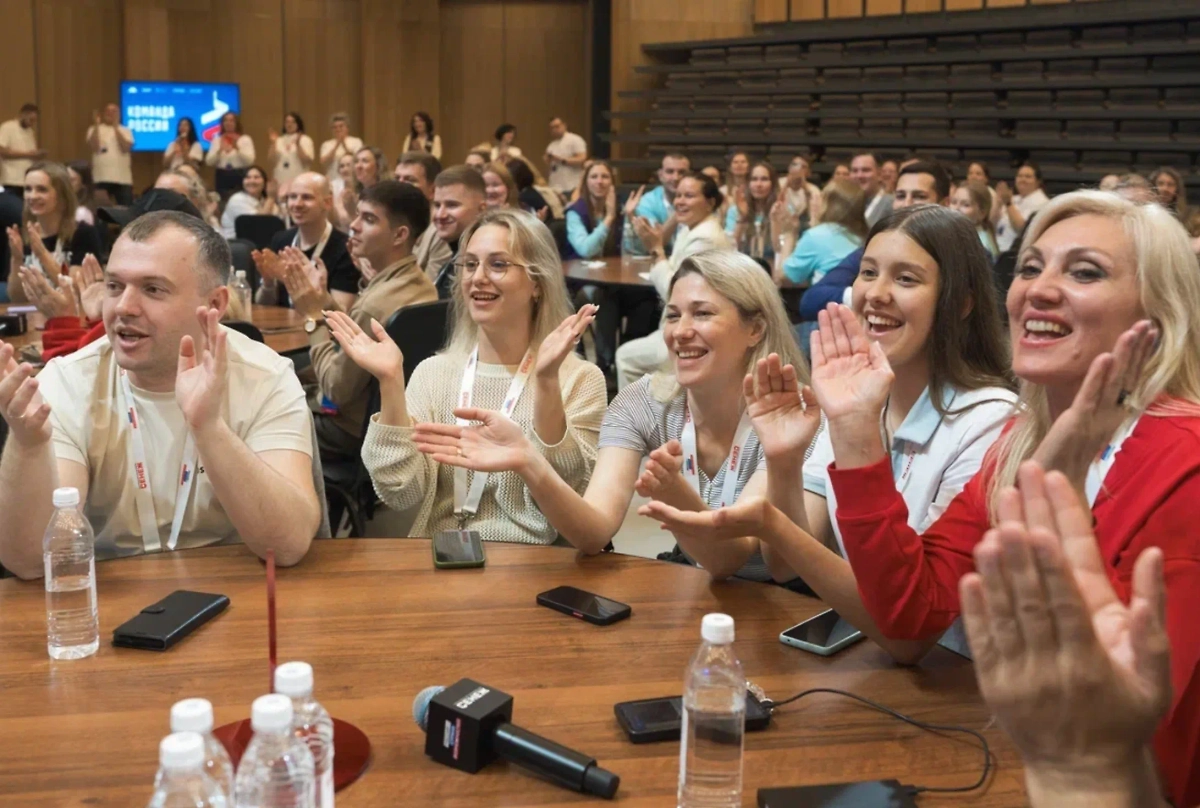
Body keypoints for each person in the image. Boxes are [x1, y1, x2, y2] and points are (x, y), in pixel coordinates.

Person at [782, 191, 1200, 806]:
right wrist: (852, 429)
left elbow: (1159, 746)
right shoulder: (1017, 444)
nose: (1039, 289)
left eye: (1084, 272)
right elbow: (909, 616)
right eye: (1030, 267)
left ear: (1159, 314)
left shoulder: (1185, 463)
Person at [642, 204, 1016, 659]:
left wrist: (772, 522)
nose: (875, 294)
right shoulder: (857, 399)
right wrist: (783, 459)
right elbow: (783, 565)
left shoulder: (990, 422)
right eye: (869, 272)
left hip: (954, 672)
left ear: (961, 303)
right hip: (871, 658)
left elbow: (910, 633)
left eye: (906, 279)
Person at [417, 249, 809, 586]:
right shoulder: (642, 402)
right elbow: (593, 533)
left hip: (785, 600)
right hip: (702, 585)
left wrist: (675, 493)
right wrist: (527, 460)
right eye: (672, 316)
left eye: (702, 313)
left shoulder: (787, 416)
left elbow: (734, 560)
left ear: (755, 328)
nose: (681, 332)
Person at [0, 211, 322, 578]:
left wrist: (210, 428)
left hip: (235, 592)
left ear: (214, 305)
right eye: (115, 286)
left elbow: (286, 545)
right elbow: (29, 562)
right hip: (111, 596)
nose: (124, 307)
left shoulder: (265, 376)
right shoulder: (71, 381)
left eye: (153, 289)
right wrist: (27, 446)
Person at [330, 208, 606, 545]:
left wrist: (546, 382)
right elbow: (399, 492)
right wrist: (390, 382)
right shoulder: (435, 374)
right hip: (441, 557)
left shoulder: (579, 379)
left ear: (537, 282)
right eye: (470, 264)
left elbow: (570, 494)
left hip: (535, 564)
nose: (478, 278)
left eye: (499, 264)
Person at [278, 181, 438, 461]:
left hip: (350, 432)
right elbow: (359, 327)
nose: (353, 226)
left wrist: (313, 317)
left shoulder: (375, 304)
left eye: (368, 219)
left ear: (400, 234)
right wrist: (323, 301)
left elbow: (335, 389)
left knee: (262, 415)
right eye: (357, 216)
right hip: (400, 423)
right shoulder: (422, 284)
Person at [615, 172, 732, 389]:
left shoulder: (704, 238)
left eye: (688, 196)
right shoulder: (692, 228)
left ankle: (635, 421)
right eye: (678, 195)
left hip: (695, 330)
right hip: (685, 321)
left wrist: (656, 250)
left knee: (625, 357)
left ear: (710, 203)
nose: (679, 201)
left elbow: (674, 291)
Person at [797, 160, 952, 321]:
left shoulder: (961, 253)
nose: (906, 204)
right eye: (900, 196)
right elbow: (810, 301)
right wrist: (863, 294)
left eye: (919, 196)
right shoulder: (874, 250)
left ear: (944, 204)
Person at [253, 172, 358, 311]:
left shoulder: (344, 248)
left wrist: (309, 288)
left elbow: (342, 312)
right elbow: (263, 306)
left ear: (327, 203)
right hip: (281, 329)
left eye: (307, 197)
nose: (297, 204)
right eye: (292, 197)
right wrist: (268, 284)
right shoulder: (281, 240)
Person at [6, 162, 104, 305]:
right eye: (28, 189)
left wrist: (41, 253)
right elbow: (17, 298)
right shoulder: (24, 235)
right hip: (35, 318)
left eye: (42, 190)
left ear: (62, 195)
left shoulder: (82, 233)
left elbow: (76, 290)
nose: (32, 196)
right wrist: (16, 258)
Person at [778, 179, 865, 286]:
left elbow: (785, 277)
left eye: (822, 196)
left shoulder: (816, 235)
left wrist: (789, 235)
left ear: (829, 205)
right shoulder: (866, 235)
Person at [428, 166, 488, 299]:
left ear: (481, 209)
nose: (440, 215)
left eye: (452, 205)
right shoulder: (454, 260)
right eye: (437, 205)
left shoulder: (482, 268)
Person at [395, 152, 450, 278]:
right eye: (397, 178)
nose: (399, 185)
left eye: (410, 180)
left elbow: (431, 291)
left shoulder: (440, 230)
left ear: (433, 190)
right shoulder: (391, 222)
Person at [624, 152, 690, 255]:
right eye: (670, 171)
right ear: (660, 175)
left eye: (681, 172)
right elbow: (653, 244)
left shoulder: (699, 200)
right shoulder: (648, 202)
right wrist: (678, 212)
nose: (676, 177)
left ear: (689, 176)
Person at [726, 161, 777, 262]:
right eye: (754, 179)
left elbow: (780, 250)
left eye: (764, 179)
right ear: (747, 184)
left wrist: (775, 219)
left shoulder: (781, 211)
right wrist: (742, 217)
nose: (759, 184)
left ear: (773, 184)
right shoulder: (734, 211)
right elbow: (730, 250)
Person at [85, 103, 135, 206]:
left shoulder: (126, 130)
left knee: (126, 211)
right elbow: (94, 147)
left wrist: (115, 127)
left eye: (114, 111)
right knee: (100, 212)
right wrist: (96, 125)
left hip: (123, 178)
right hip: (100, 177)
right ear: (103, 114)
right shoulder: (93, 129)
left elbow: (125, 148)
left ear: (119, 114)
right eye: (108, 111)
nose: (110, 114)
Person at [995, 161, 1049, 252]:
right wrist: (998, 203)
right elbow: (993, 223)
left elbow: (1022, 229)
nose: (1022, 179)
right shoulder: (1014, 198)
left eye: (1028, 177)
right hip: (998, 248)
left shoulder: (1042, 202)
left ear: (1038, 181)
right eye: (1020, 176)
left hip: (1014, 253)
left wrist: (1008, 204)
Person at [219, 166, 280, 239]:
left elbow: (277, 219)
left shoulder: (263, 200)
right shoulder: (237, 199)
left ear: (265, 182)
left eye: (256, 177)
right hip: (236, 243)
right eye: (247, 177)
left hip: (259, 241)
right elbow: (260, 224)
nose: (252, 181)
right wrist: (271, 198)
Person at [205, 112, 255, 197]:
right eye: (226, 121)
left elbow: (250, 161)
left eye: (231, 121)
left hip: (239, 174)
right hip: (222, 175)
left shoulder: (245, 139)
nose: (228, 123)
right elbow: (209, 162)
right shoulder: (217, 140)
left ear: (236, 123)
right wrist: (219, 150)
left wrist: (237, 148)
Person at [336, 146, 386, 230]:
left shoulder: (386, 194)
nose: (358, 166)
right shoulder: (354, 193)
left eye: (365, 161)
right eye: (356, 162)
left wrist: (351, 212)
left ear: (378, 166)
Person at [0, 103, 44, 197]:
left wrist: (36, 156)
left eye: (34, 121)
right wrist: (28, 155)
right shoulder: (8, 127)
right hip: (11, 180)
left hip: (26, 180)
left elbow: (30, 153)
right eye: (31, 120)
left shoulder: (30, 132)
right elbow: (2, 151)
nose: (32, 123)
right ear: (23, 114)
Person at [951, 180, 999, 260]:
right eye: (954, 202)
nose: (956, 209)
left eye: (966, 205)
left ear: (982, 213)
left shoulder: (981, 245)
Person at [266, 112, 314, 188]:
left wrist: (298, 145)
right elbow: (271, 160)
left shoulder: (305, 139)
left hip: (299, 179)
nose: (289, 124)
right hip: (280, 179)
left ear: (298, 124)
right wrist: (273, 143)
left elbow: (307, 161)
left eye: (293, 122)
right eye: (287, 122)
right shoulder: (279, 140)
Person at [543, 117, 587, 200]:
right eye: (552, 128)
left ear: (564, 126)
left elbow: (582, 158)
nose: (554, 130)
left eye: (557, 126)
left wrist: (561, 160)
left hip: (571, 185)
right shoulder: (552, 145)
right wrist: (547, 160)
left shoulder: (575, 139)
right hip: (555, 186)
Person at [1149, 166, 1199, 234]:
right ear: (1153, 186)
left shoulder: (1187, 216)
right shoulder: (1144, 213)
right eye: (1160, 183)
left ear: (1177, 190)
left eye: (1170, 185)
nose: (1165, 189)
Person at [778, 154, 823, 227]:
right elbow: (774, 205)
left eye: (803, 167)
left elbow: (814, 217)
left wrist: (805, 188)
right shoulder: (779, 184)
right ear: (789, 168)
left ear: (809, 173)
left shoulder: (814, 190)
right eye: (794, 165)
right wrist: (786, 185)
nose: (798, 169)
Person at [850, 152, 892, 228]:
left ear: (879, 174)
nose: (859, 175)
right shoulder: (846, 204)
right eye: (855, 171)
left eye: (866, 170)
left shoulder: (891, 204)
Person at [318, 112, 363, 181]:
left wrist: (344, 145)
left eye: (341, 126)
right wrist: (337, 145)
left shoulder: (356, 141)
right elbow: (323, 162)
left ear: (347, 128)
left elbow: (357, 159)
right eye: (335, 127)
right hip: (332, 179)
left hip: (353, 180)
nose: (338, 129)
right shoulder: (326, 144)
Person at [719, 151, 750, 218]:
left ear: (748, 167)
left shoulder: (754, 189)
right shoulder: (722, 191)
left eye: (743, 162)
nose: (739, 165)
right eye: (735, 162)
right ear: (730, 167)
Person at [66, 161, 97, 226]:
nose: (66, 184)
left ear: (83, 184)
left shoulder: (82, 213)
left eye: (71, 180)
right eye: (65, 179)